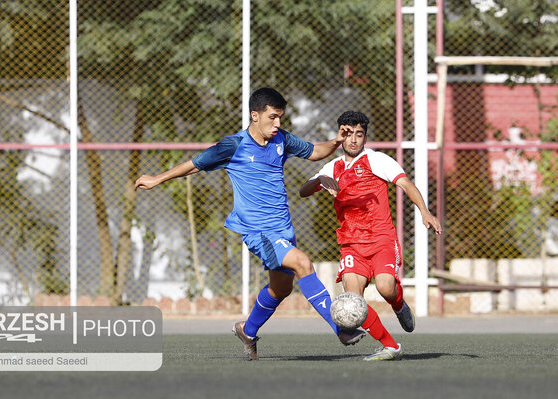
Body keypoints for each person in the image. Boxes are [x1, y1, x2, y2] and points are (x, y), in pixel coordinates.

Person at [134, 88, 365, 361]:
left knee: (281, 288)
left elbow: (315, 152)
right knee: (303, 263)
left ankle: (248, 329)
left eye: (280, 117)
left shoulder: (282, 140)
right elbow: (195, 164)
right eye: (272, 117)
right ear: (255, 116)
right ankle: (341, 328)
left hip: (282, 229)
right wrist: (157, 179)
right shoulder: (234, 145)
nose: (277, 123)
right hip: (258, 231)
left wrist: (337, 141)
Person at [299, 111, 442, 361]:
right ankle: (391, 346)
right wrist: (320, 179)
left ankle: (398, 304)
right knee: (354, 302)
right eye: (348, 134)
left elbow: (406, 184)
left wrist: (425, 211)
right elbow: (303, 191)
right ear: (340, 136)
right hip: (351, 245)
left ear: (365, 137)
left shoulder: (377, 161)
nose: (353, 140)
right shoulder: (332, 167)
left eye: (359, 134)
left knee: (386, 287)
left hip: (381, 239)